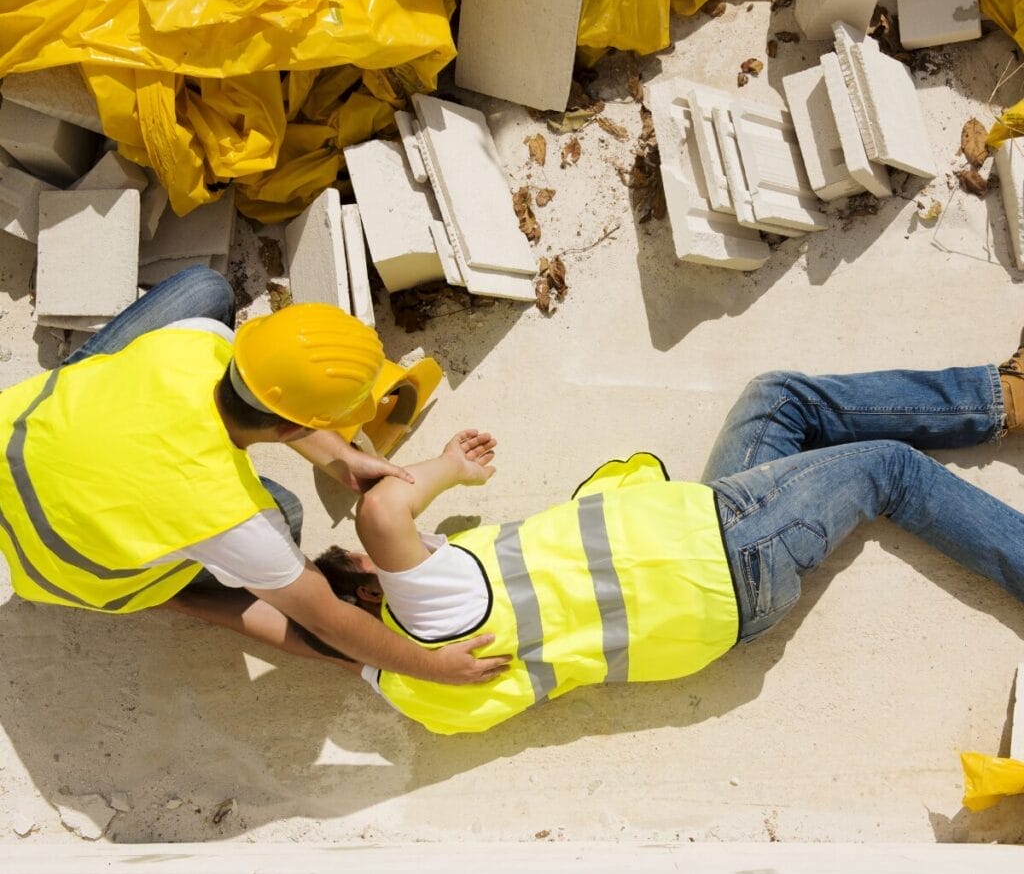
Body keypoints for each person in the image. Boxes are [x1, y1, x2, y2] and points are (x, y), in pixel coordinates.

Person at [299, 355, 1024, 733]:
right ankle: (1006, 401)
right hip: (725, 548)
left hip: (713, 596)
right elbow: (384, 513)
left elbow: (301, 629)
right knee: (888, 466)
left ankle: (1003, 396)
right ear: (373, 592)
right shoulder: (433, 609)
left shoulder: (409, 689)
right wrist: (446, 469)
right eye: (381, 568)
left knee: (778, 400)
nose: (420, 545)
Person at [0, 264, 507, 685]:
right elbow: (328, 621)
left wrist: (342, 458)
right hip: (62, 567)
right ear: (292, 427)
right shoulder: (233, 518)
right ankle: (162, 593)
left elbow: (263, 395)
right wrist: (433, 668)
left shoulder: (194, 343)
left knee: (205, 290)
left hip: (17, 446)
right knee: (286, 513)